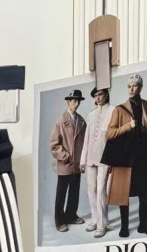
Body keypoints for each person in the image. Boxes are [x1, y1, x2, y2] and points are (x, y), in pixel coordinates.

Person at [101, 73, 147, 238]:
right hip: (125, 156)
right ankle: (124, 226)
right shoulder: (119, 109)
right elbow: (109, 133)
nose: (131, 89)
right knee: (123, 191)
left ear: (140, 87)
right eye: (129, 86)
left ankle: (144, 225)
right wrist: (128, 126)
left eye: (135, 86)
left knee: (144, 191)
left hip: (142, 155)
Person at [49, 88, 87, 232]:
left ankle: (71, 215)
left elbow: (85, 143)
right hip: (65, 164)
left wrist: (83, 160)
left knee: (74, 192)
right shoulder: (60, 122)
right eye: (74, 101)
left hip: (77, 164)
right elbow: (54, 145)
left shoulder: (81, 121)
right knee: (61, 193)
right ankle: (59, 221)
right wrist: (66, 156)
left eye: (78, 101)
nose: (76, 104)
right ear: (68, 102)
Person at [80, 86, 114, 237]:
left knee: (101, 190)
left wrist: (113, 159)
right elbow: (86, 139)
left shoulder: (113, 110)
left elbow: (115, 139)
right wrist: (82, 160)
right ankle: (96, 219)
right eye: (95, 96)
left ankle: (101, 225)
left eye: (100, 94)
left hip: (105, 157)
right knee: (92, 190)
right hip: (90, 158)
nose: (98, 98)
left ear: (106, 94)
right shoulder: (91, 114)